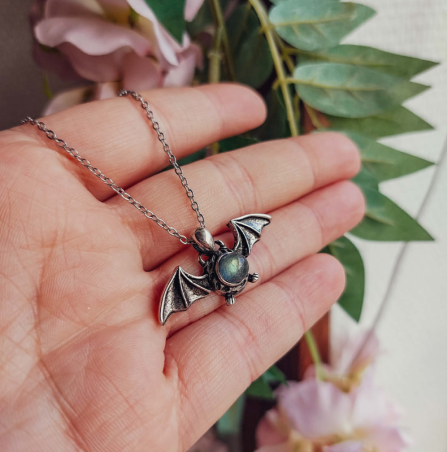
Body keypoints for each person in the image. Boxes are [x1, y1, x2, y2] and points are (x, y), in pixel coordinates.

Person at [0, 84, 364, 452]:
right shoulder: (203, 273)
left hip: (231, 272)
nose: (208, 244)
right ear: (207, 247)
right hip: (223, 276)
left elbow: (236, 261)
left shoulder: (237, 245)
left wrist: (234, 279)